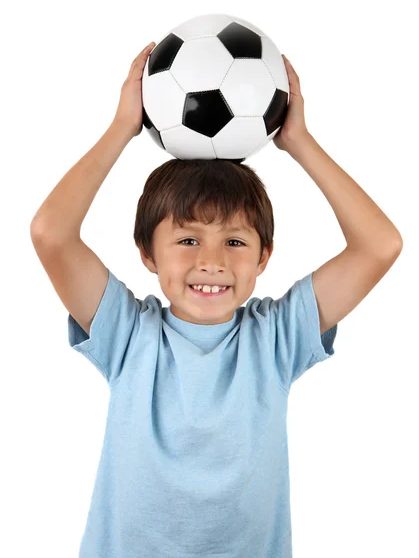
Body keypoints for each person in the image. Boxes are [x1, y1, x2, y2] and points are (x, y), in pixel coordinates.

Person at [30, 42, 403, 558]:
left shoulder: (278, 337)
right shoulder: (127, 333)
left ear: (264, 256)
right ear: (147, 254)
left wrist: (300, 142)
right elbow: (51, 233)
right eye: (187, 240)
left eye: (235, 241)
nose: (213, 261)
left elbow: (380, 245)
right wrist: (121, 128)